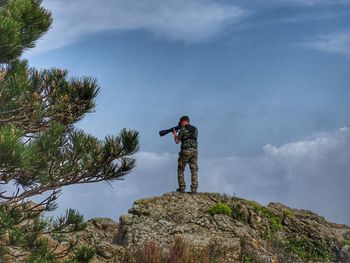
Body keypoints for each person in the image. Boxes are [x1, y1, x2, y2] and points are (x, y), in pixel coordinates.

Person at [172, 115, 198, 194]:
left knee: (180, 169)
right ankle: (194, 190)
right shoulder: (195, 129)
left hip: (186, 151)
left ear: (183, 121)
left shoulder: (183, 129)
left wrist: (174, 134)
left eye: (181, 123)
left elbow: (177, 141)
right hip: (194, 151)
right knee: (194, 170)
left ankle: (182, 188)